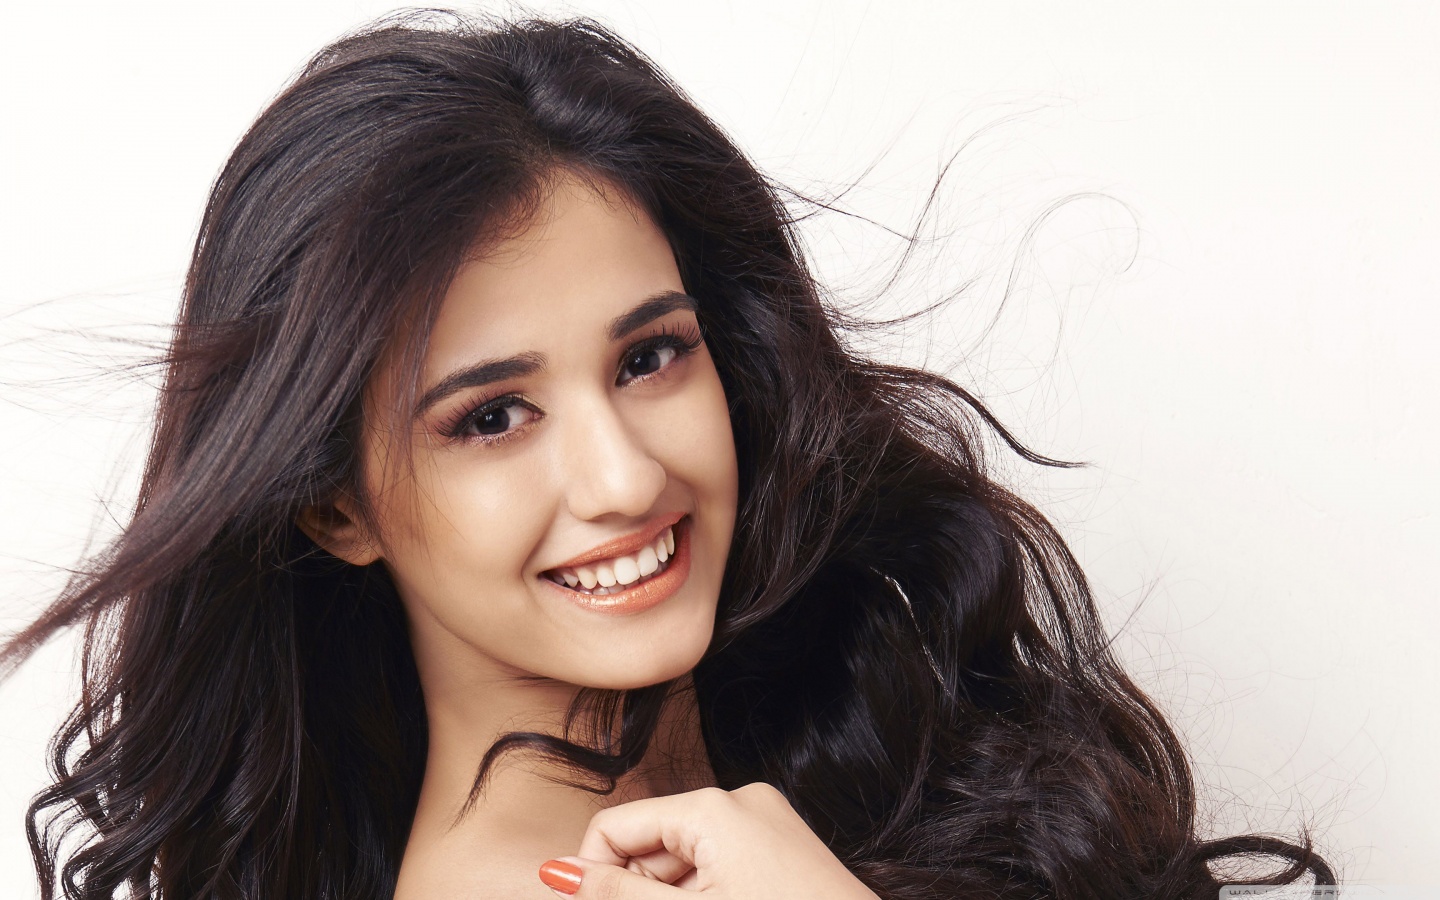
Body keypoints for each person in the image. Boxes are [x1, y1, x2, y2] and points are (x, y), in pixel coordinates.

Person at [0, 13, 1333, 900]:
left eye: (649, 357)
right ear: (335, 507)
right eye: (490, 417)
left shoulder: (862, 744)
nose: (626, 479)